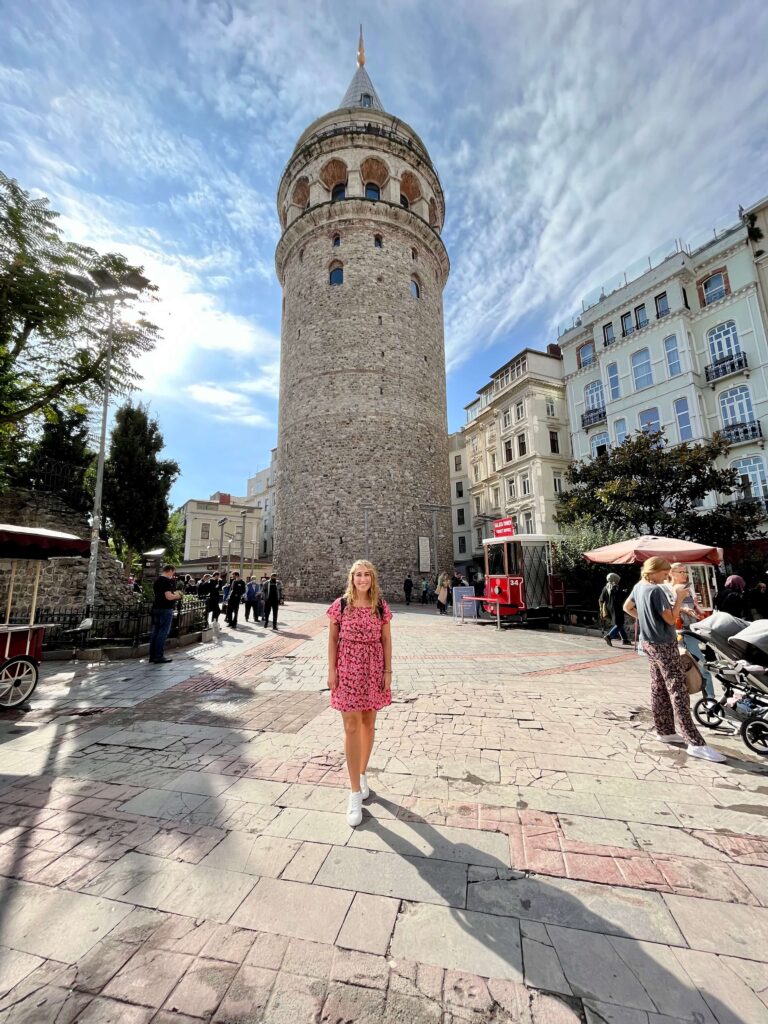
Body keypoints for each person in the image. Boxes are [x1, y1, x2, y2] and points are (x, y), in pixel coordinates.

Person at [623, 557, 725, 762]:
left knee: (659, 686)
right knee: (677, 688)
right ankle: (694, 742)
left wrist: (645, 619)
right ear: (653, 571)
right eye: (664, 572)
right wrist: (678, 598)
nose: (667, 575)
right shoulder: (656, 590)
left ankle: (665, 730)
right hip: (664, 642)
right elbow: (670, 618)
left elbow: (627, 607)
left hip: (648, 642)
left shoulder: (639, 586)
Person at [327, 559, 392, 827]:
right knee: (351, 726)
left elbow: (386, 639)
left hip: (373, 668)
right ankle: (354, 793)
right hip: (347, 668)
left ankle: (362, 774)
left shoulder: (380, 606)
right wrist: (332, 671)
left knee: (368, 723)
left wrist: (388, 672)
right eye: (358, 575)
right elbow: (332, 639)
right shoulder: (340, 606)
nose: (362, 579)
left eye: (367, 575)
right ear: (351, 578)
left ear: (372, 578)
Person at [149, 564, 183, 664]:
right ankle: (159, 656)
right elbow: (168, 597)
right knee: (163, 632)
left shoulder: (157, 580)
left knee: (155, 632)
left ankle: (152, 656)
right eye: (173, 572)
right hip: (165, 609)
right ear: (170, 571)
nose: (173, 575)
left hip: (156, 608)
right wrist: (177, 596)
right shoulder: (166, 581)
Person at [599, 573, 631, 646]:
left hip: (609, 608)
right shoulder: (614, 587)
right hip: (617, 608)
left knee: (619, 623)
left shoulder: (605, 587)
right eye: (617, 579)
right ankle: (609, 636)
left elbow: (601, 599)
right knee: (619, 624)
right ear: (614, 579)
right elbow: (618, 597)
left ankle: (625, 639)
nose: (618, 581)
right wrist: (624, 592)